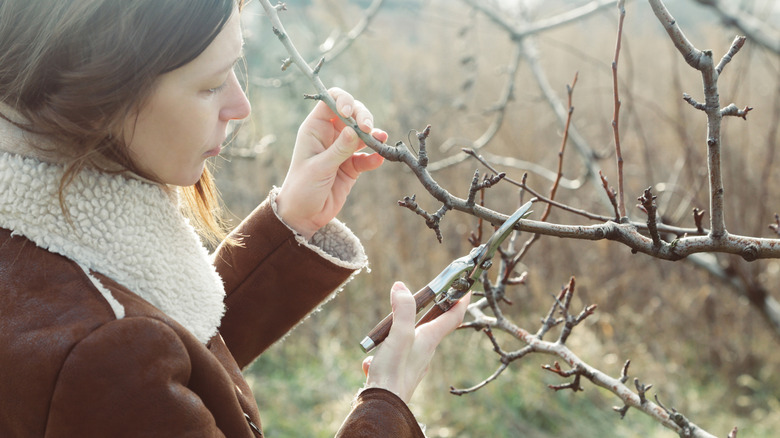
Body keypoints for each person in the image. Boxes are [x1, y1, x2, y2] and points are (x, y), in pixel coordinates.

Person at [0, 0, 470, 437]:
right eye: (210, 84)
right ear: (102, 88)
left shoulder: (44, 250)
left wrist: (292, 220)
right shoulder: (99, 354)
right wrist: (386, 402)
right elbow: (130, 361)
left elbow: (172, 364)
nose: (240, 107)